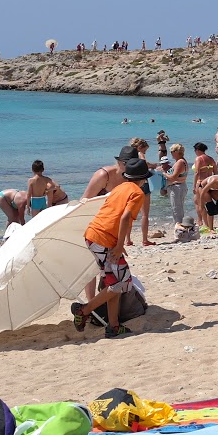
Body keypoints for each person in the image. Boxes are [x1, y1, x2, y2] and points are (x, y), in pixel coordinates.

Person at [70, 157, 150, 339]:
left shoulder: (119, 188)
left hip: (94, 235)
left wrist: (117, 243)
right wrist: (120, 244)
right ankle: (84, 310)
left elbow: (110, 212)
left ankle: (113, 326)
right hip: (104, 239)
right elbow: (124, 217)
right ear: (143, 178)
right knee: (123, 282)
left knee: (113, 283)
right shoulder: (137, 193)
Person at [191, 142, 218, 230]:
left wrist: (194, 186)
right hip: (210, 183)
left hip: (201, 183)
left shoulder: (198, 159)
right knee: (207, 203)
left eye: (195, 150)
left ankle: (206, 225)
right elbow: (215, 172)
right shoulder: (211, 159)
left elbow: (196, 173)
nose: (195, 152)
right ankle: (208, 224)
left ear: (198, 150)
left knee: (201, 205)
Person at [163, 144, 189, 225]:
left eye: (171, 152)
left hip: (177, 188)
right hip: (180, 186)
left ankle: (179, 227)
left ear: (176, 152)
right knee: (179, 209)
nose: (171, 154)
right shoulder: (182, 161)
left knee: (176, 210)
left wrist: (164, 174)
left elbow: (173, 178)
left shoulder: (180, 162)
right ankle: (180, 226)